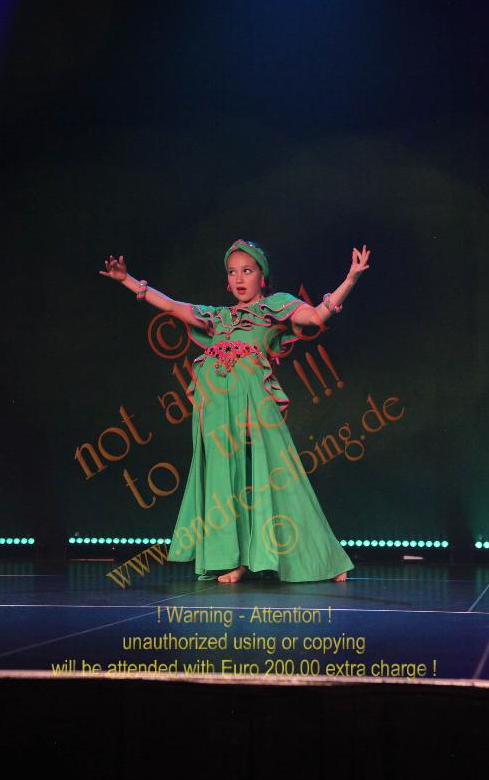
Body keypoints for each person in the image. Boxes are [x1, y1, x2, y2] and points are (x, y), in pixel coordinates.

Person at [99, 239, 370, 584]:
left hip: (254, 407)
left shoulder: (274, 306)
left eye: (247, 271)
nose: (239, 279)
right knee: (223, 481)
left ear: (261, 276)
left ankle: (324, 559)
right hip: (213, 410)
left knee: (277, 476)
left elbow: (317, 315)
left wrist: (351, 278)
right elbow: (169, 305)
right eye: (232, 272)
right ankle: (233, 559)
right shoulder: (218, 317)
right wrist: (125, 279)